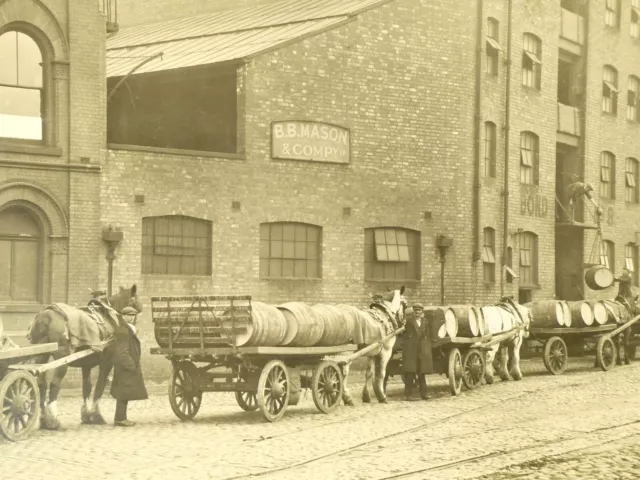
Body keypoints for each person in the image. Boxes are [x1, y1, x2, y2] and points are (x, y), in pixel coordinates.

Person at [111, 306, 148, 426]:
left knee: (124, 392)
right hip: (125, 367)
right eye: (129, 316)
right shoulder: (123, 331)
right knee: (123, 392)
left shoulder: (127, 329)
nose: (132, 318)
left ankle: (121, 418)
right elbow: (122, 351)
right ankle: (120, 419)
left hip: (125, 366)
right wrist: (131, 366)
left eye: (133, 316)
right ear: (123, 316)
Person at [402, 303, 430, 401]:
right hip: (411, 350)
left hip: (421, 350)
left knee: (421, 373)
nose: (417, 312)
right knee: (410, 373)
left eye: (419, 310)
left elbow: (427, 335)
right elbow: (404, 334)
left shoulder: (425, 321)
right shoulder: (409, 321)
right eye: (415, 310)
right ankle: (408, 395)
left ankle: (424, 394)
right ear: (413, 312)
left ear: (422, 311)